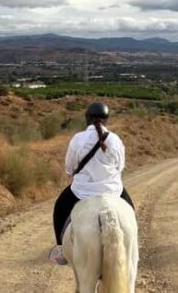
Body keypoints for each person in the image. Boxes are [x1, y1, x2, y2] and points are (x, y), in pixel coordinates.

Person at [49, 101, 135, 265]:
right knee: (131, 211)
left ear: (87, 118)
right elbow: (120, 167)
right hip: (113, 191)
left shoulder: (78, 139)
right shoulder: (116, 140)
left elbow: (69, 167)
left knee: (59, 208)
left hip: (82, 191)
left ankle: (60, 250)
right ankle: (133, 246)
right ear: (106, 119)